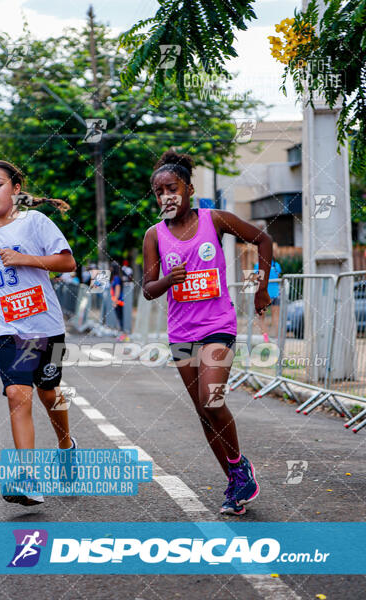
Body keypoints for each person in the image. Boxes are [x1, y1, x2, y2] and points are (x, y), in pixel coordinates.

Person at [143, 150, 272, 515]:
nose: (166, 196)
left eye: (172, 188)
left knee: (211, 399)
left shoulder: (214, 220)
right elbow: (147, 289)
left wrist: (261, 288)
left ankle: (238, 467)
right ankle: (236, 480)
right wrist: (168, 280)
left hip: (217, 326)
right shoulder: (154, 236)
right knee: (203, 411)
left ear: (188, 188)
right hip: (181, 333)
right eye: (159, 192)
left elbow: (263, 240)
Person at [0, 159, 78, 507]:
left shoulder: (36, 222)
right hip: (8, 328)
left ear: (15, 189)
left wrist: (24, 259)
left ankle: (66, 447)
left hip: (48, 327)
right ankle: (29, 477)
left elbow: (67, 262)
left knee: (50, 394)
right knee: (18, 394)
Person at [254, 243, 282, 341]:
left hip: (263, 294)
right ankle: (278, 338)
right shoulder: (277, 265)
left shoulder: (258, 265)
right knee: (276, 317)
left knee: (261, 318)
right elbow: (278, 276)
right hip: (276, 294)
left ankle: (266, 339)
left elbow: (256, 279)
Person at [110, 261, 128, 341]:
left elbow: (117, 289)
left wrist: (115, 301)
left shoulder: (116, 278)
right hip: (118, 301)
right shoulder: (117, 277)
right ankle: (122, 335)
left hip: (119, 301)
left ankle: (123, 336)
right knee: (120, 318)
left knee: (120, 318)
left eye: (111, 267)